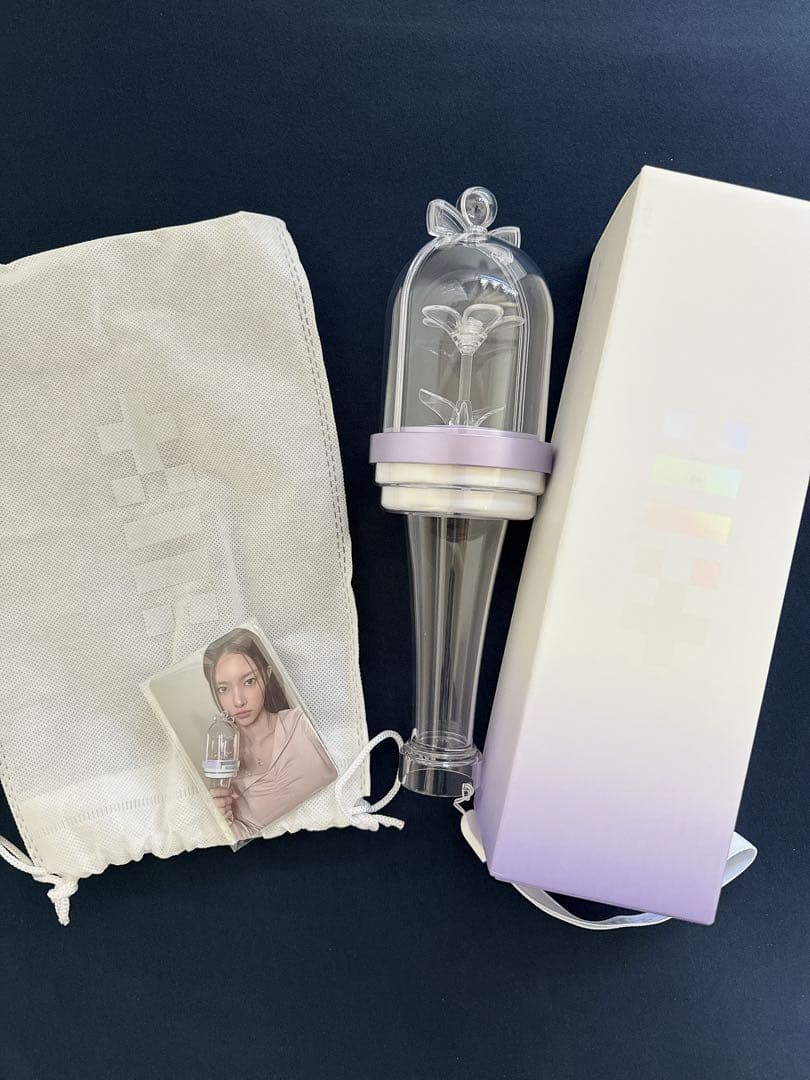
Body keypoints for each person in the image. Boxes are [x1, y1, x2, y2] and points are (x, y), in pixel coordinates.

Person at [202, 629, 337, 840]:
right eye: (223, 689)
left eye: (249, 681)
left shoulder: (303, 725)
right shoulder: (224, 771)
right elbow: (246, 838)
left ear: (266, 675)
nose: (238, 701)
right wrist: (224, 822)